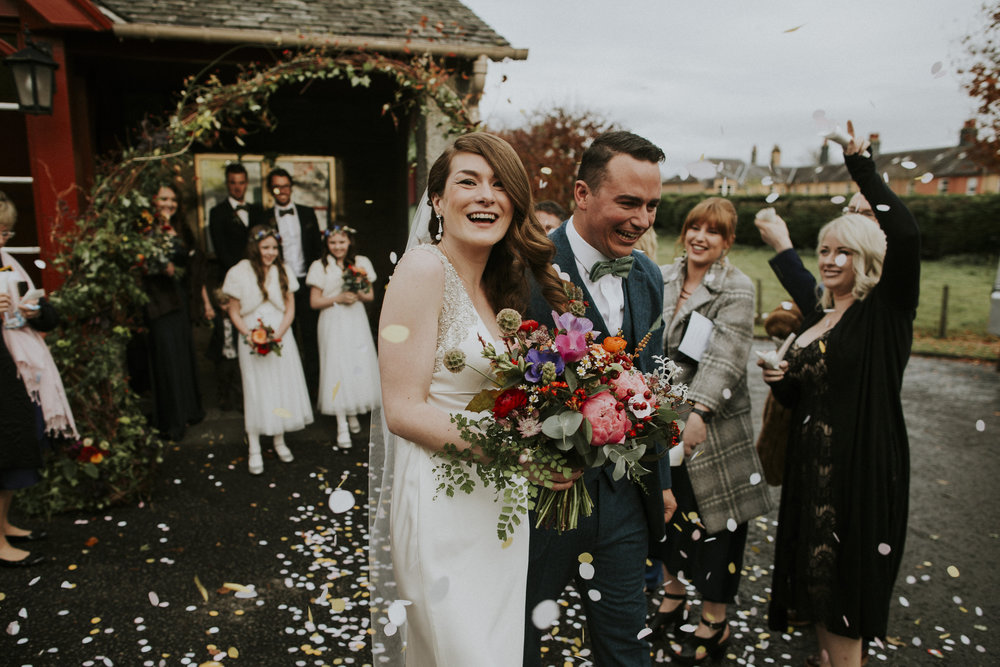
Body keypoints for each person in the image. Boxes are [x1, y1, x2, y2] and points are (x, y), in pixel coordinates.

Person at [372, 132, 568, 665]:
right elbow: (403, 409)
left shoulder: (499, 286)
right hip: (442, 504)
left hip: (499, 506)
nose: (486, 195)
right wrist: (520, 454)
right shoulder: (422, 269)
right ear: (436, 200)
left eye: (501, 185)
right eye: (469, 181)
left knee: (497, 650)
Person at [756, 125, 918, 667]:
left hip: (859, 470)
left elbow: (908, 238)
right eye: (825, 248)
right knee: (818, 590)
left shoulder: (885, 313)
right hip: (813, 472)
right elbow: (817, 389)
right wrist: (787, 384)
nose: (829, 258)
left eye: (843, 248)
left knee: (846, 592)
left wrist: (862, 168)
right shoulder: (826, 315)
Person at [523, 130, 677, 667]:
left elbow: (651, 387)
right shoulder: (522, 268)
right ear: (582, 194)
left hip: (624, 501)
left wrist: (660, 484)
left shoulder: (651, 277)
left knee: (623, 645)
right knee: (519, 639)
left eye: (652, 205)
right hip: (542, 502)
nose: (642, 219)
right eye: (629, 202)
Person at [650, 197, 772, 664]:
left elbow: (727, 354)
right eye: (695, 227)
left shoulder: (736, 287)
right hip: (660, 424)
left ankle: (714, 622)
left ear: (727, 242)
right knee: (667, 517)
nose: (702, 237)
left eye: (713, 231)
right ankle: (673, 595)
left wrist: (698, 411)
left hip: (712, 429)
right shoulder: (660, 276)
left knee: (717, 525)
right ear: (684, 232)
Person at [0, 190, 77, 567]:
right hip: (3, 373)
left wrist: (33, 313)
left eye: (6, 232)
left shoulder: (10, 263)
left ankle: (4, 524)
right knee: (5, 450)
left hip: (22, 370)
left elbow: (49, 314)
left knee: (19, 446)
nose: (2, 239)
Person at [222, 226, 313, 475]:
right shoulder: (239, 272)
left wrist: (279, 334)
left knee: (279, 386)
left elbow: (290, 307)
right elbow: (233, 310)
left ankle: (279, 440)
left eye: (274, 247)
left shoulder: (282, 270)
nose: (271, 252)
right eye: (265, 247)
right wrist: (249, 336)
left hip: (280, 335)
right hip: (251, 335)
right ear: (255, 247)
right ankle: (253, 447)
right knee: (255, 389)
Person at [306, 225, 380, 449]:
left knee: (356, 365)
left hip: (355, 319)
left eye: (342, 242)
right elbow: (314, 302)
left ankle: (353, 413)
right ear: (327, 244)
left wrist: (356, 291)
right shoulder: (320, 266)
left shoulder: (361, 262)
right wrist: (338, 297)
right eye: (333, 243)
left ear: (349, 242)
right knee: (336, 368)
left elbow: (369, 295)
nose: (337, 247)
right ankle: (342, 425)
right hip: (332, 320)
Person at [143, 184, 204, 441]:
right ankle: (172, 420)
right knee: (166, 356)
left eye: (173, 199)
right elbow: (143, 263)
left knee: (182, 354)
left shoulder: (180, 227)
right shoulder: (147, 230)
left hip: (179, 297)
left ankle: (189, 411)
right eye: (164, 199)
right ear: (153, 201)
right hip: (159, 301)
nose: (169, 204)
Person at [208, 163, 264, 411]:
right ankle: (229, 396)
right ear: (227, 184)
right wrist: (243, 276)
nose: (238, 187)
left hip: (258, 279)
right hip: (232, 280)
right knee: (229, 338)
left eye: (242, 182)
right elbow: (221, 249)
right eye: (233, 182)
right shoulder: (217, 212)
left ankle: (253, 392)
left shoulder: (257, 210)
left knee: (257, 330)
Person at [264, 168, 323, 401]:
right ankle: (286, 392)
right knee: (284, 336)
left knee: (310, 338)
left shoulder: (308, 213)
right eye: (277, 187)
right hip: (279, 285)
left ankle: (311, 391)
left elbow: (317, 249)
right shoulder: (263, 217)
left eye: (286, 186)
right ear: (271, 190)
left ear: (291, 187)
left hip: (306, 283)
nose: (283, 191)